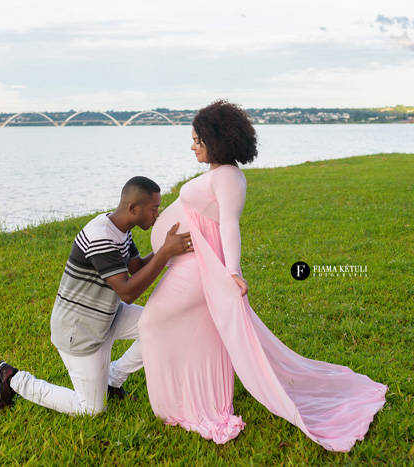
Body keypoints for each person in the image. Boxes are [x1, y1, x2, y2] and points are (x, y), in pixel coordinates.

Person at [138, 100, 387, 451]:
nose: (192, 146)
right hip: (188, 264)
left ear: (216, 141)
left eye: (198, 140)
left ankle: (186, 408)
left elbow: (229, 225)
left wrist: (233, 270)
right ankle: (190, 403)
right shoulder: (219, 173)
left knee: (150, 324)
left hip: (199, 269)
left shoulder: (227, 177)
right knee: (197, 334)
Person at [0, 176, 193, 415]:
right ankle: (13, 380)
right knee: (91, 409)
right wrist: (164, 253)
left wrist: (166, 250)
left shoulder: (121, 229)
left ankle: (112, 380)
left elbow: (137, 268)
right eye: (154, 209)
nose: (157, 215)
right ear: (133, 208)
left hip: (107, 316)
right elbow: (127, 291)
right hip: (79, 331)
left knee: (161, 326)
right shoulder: (101, 236)